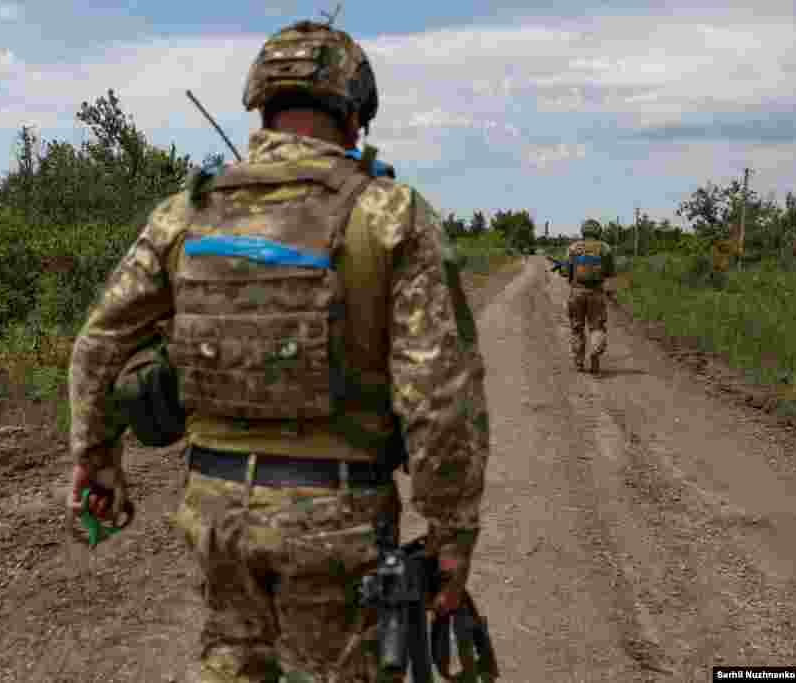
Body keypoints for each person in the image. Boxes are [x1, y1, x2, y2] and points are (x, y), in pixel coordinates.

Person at [65, 19, 489, 683]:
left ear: (262, 105)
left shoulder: (185, 213)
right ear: (356, 116)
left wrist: (95, 458)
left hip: (215, 516)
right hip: (338, 523)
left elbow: (100, 342)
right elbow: (438, 394)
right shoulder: (389, 215)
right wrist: (451, 533)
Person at [562, 222, 615, 373]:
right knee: (597, 327)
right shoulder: (605, 248)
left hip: (577, 293)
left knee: (577, 327)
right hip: (597, 293)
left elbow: (566, 272)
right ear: (598, 231)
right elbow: (610, 272)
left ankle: (579, 362)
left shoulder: (573, 248)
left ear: (583, 231)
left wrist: (566, 273)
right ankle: (595, 352)